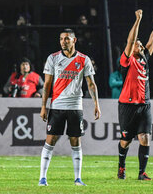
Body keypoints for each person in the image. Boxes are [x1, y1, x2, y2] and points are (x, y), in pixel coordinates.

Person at [38, 28, 101, 186]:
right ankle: (42, 178)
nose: (63, 42)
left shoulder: (83, 59)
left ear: (74, 40)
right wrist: (43, 107)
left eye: (66, 39)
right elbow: (47, 85)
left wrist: (96, 105)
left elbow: (91, 84)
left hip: (75, 106)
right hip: (57, 105)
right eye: (61, 39)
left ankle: (78, 179)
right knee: (51, 139)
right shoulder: (52, 58)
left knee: (75, 140)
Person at [117, 8, 153, 181]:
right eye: (138, 44)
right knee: (126, 141)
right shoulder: (126, 60)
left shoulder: (144, 57)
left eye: (140, 44)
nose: (140, 45)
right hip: (127, 105)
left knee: (145, 138)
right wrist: (137, 20)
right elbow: (130, 41)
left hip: (144, 104)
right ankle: (121, 167)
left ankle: (141, 173)